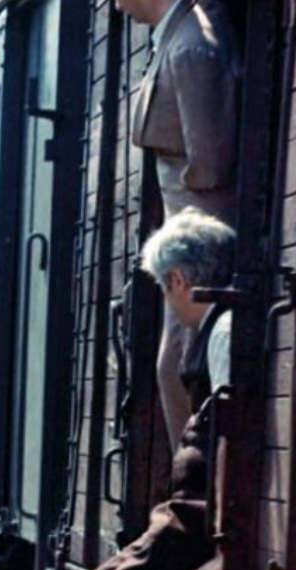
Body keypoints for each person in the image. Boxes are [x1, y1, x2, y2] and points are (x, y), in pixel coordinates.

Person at [65, 208, 235, 570]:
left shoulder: (222, 333)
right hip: (182, 518)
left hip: (193, 527)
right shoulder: (216, 329)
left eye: (164, 286)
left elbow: (232, 445)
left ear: (178, 279)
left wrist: (225, 550)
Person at [120, 0, 240, 452]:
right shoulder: (180, 39)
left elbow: (209, 166)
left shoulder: (190, 48)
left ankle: (193, 496)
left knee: (179, 370)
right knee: (176, 369)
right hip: (185, 239)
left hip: (195, 244)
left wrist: (181, 224)